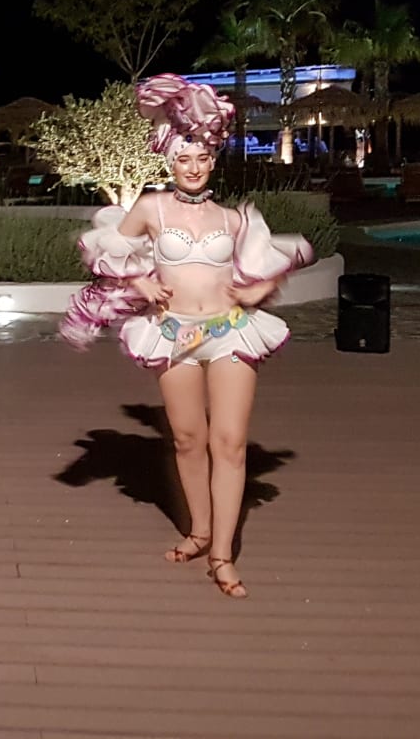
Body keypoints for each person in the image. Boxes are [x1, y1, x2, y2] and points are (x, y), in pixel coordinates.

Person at [60, 74, 312, 599]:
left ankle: (222, 555)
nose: (193, 167)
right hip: (174, 333)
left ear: (213, 160)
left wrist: (258, 289)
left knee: (230, 443)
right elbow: (106, 253)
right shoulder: (150, 209)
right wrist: (140, 281)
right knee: (189, 440)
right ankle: (199, 531)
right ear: (169, 160)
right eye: (184, 159)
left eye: (202, 158)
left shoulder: (234, 219)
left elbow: (272, 269)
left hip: (229, 332)